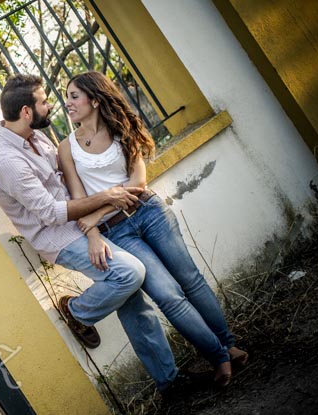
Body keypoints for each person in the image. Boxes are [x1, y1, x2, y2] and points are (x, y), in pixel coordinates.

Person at [0, 74, 182, 392]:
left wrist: (93, 224)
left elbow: (65, 181)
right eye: (44, 101)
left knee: (130, 297)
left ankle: (169, 381)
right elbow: (51, 213)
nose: (52, 105)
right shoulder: (5, 161)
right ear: (25, 111)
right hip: (58, 238)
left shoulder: (36, 137)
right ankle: (77, 311)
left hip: (83, 225)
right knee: (129, 274)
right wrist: (107, 196)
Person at [57, 71, 249, 387]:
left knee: (191, 280)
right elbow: (79, 199)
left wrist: (99, 213)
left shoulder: (122, 128)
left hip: (149, 211)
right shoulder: (67, 147)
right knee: (168, 295)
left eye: (74, 95)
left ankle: (228, 344)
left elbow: (138, 183)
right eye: (67, 96)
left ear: (94, 98)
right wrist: (92, 232)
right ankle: (219, 357)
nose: (68, 103)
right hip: (117, 232)